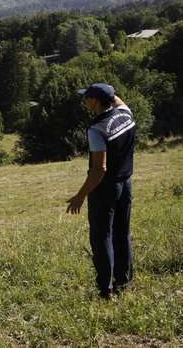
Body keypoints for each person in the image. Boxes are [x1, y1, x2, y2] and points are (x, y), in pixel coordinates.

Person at [66, 83, 135, 299]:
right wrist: (109, 94)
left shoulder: (96, 130)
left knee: (102, 237)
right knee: (122, 233)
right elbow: (117, 100)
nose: (83, 100)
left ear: (95, 101)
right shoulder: (125, 114)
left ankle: (106, 290)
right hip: (126, 183)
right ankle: (124, 281)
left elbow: (99, 169)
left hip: (105, 189)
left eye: (86, 97)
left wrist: (80, 196)